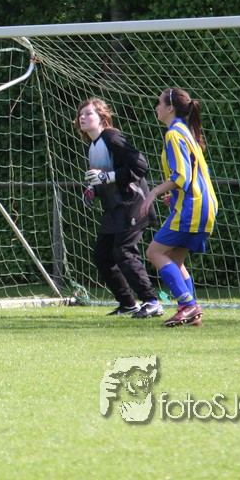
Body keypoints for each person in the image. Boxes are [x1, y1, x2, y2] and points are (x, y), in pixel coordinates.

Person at [136, 88, 218, 327]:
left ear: (170, 107)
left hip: (193, 207)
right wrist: (175, 196)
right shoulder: (186, 131)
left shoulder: (174, 134)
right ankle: (192, 312)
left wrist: (153, 192)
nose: (156, 108)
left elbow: (182, 176)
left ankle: (188, 305)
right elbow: (196, 174)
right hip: (204, 204)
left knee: (154, 252)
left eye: (159, 103)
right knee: (174, 259)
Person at [75, 98, 162, 317]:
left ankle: (152, 301)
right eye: (80, 114)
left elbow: (140, 165)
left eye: (88, 113)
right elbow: (103, 176)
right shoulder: (92, 146)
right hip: (114, 209)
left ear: (102, 118)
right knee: (103, 256)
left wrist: (107, 177)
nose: (82, 117)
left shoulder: (111, 137)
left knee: (123, 252)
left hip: (133, 205)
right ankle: (127, 304)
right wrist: (92, 189)